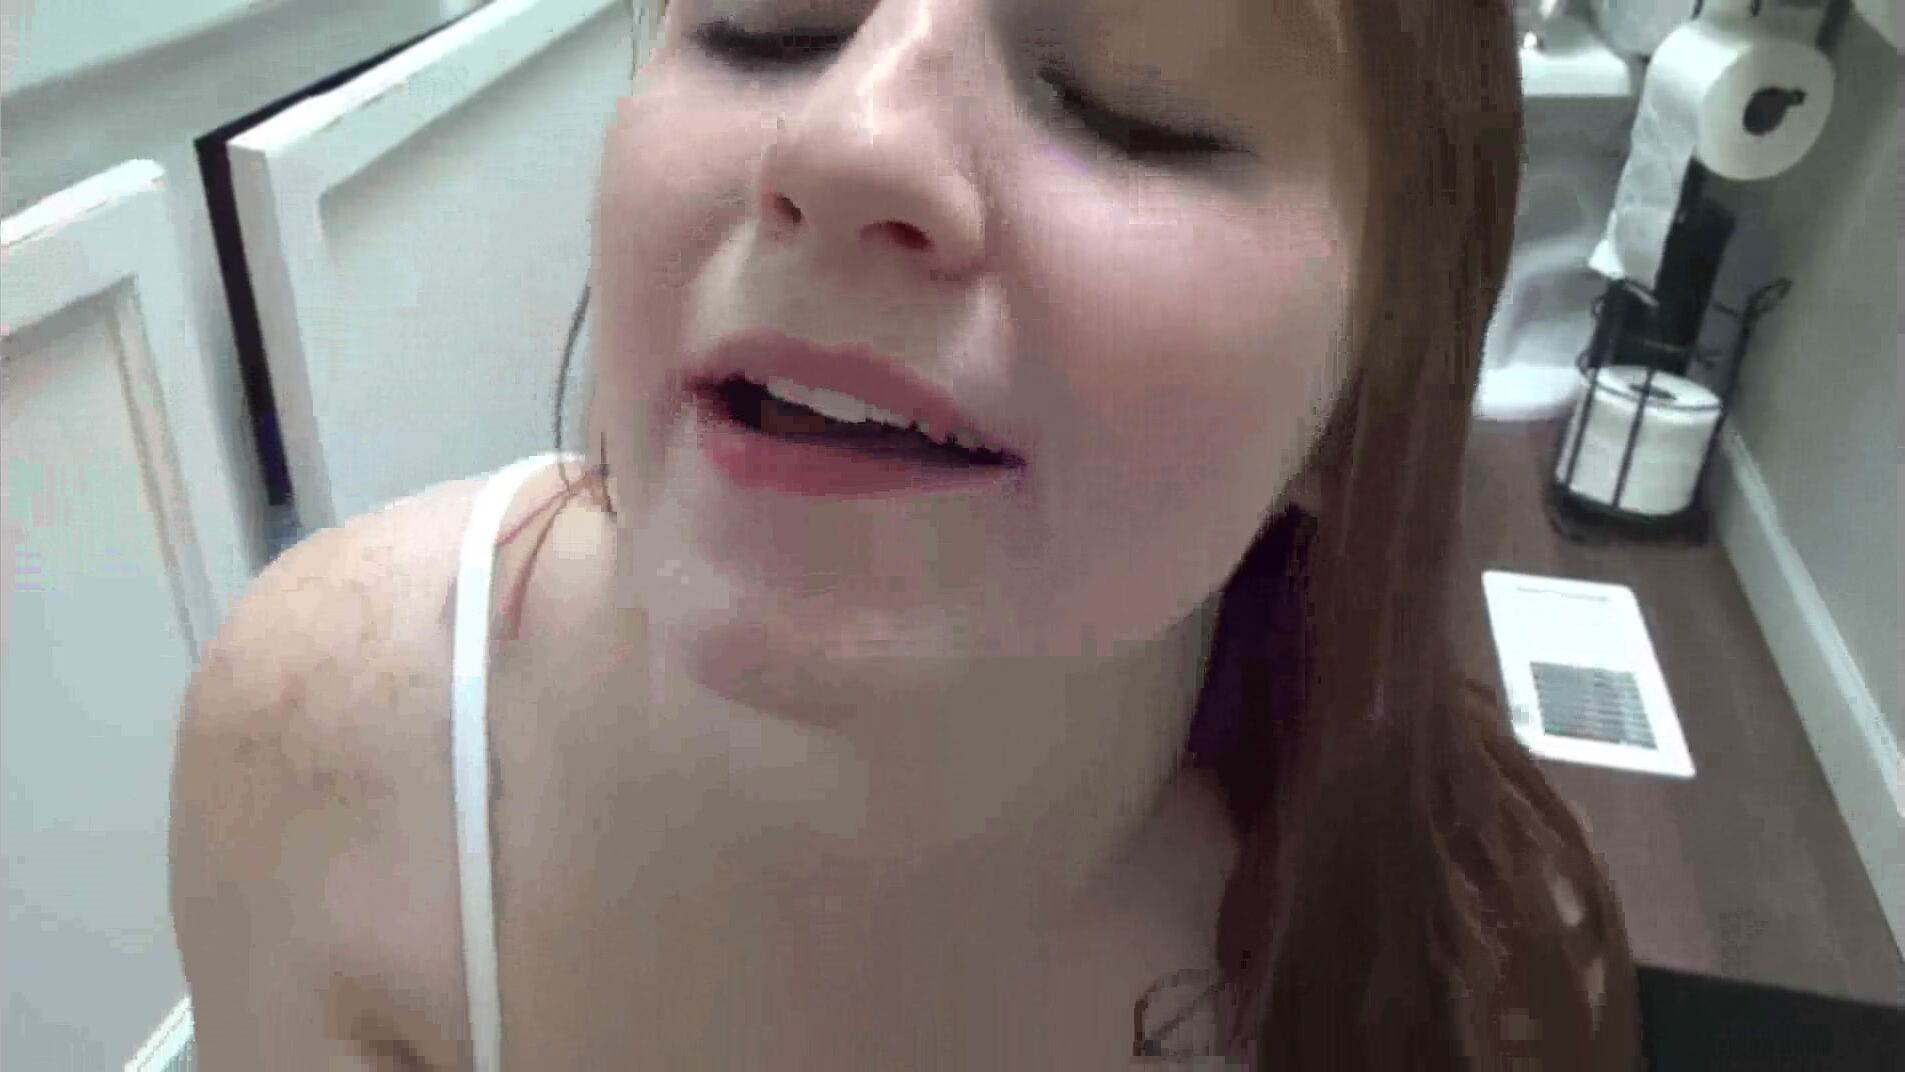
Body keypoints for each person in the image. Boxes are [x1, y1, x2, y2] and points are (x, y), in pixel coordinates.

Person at [168, 0, 1640, 1068]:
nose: (846, 140)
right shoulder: (327, 745)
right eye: (767, 26)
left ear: (1366, 389)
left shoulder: (1470, 957)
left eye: (1140, 100)